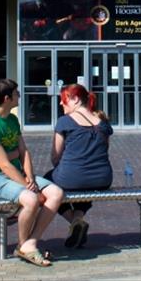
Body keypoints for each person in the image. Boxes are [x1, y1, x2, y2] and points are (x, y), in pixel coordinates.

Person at [0, 78, 65, 267]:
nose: (19, 96)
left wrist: (31, 177)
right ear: (6, 98)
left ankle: (29, 242)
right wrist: (27, 185)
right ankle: (24, 244)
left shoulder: (12, 119)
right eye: (16, 93)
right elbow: (3, 164)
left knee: (56, 193)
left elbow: (24, 152)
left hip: (17, 174)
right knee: (31, 199)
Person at [46, 84, 113, 249]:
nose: (61, 104)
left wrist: (65, 168)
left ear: (75, 99)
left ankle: (74, 221)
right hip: (103, 178)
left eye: (64, 100)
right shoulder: (103, 124)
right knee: (86, 183)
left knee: (46, 184)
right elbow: (104, 150)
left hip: (71, 177)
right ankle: (78, 219)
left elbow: (55, 156)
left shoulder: (64, 122)